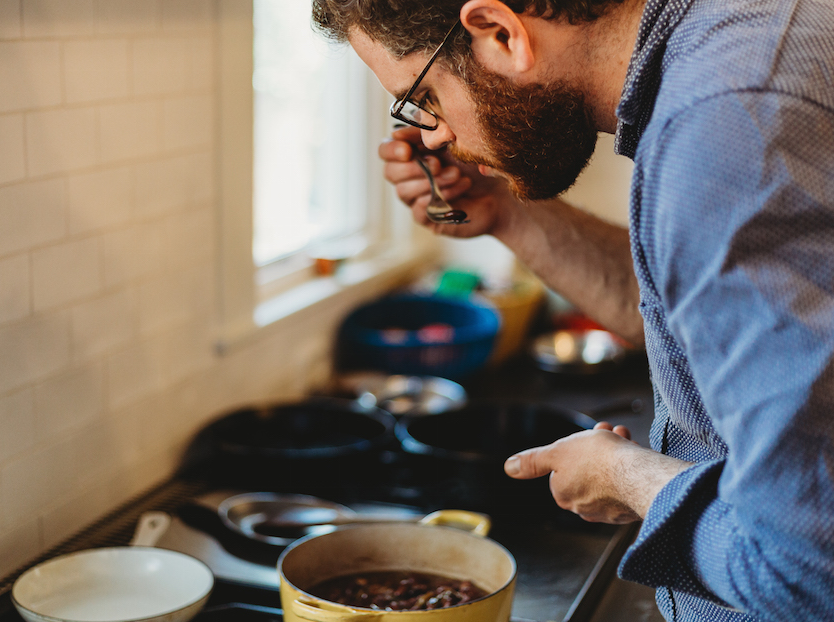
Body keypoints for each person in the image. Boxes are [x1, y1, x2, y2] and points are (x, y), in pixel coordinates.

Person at [310, 0, 834, 620]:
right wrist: (508, 211)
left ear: (501, 33)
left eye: (423, 99)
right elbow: (684, 319)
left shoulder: (723, 129)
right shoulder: (743, 44)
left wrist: (630, 477)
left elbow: (804, 560)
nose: (432, 136)